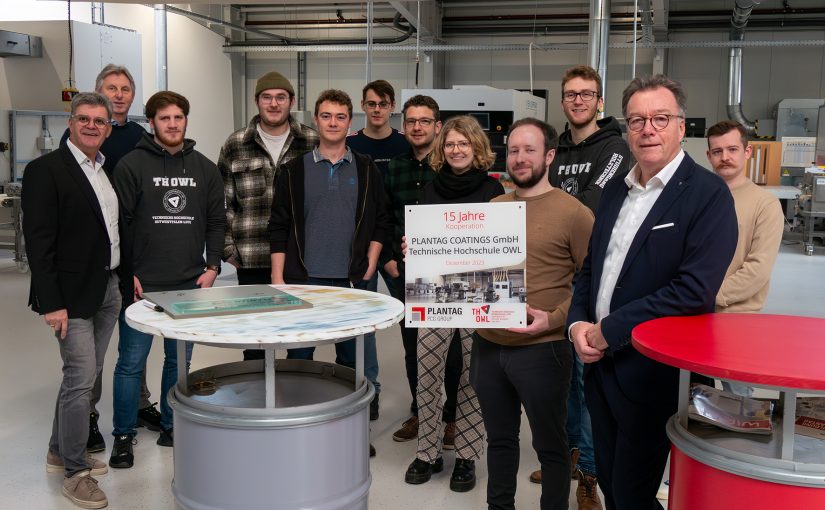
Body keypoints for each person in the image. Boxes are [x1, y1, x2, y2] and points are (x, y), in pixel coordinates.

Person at [567, 74, 738, 510]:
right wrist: (577, 326)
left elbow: (692, 292)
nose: (648, 129)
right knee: (610, 481)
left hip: (652, 374)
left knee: (631, 491)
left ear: (682, 126)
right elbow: (592, 269)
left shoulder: (707, 195)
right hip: (600, 367)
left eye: (661, 118)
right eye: (637, 120)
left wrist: (609, 330)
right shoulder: (613, 192)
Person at [471, 117, 594, 510]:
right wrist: (423, 254)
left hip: (543, 349)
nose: (519, 158)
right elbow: (473, 270)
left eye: (529, 150)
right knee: (501, 440)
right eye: (513, 150)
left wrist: (555, 318)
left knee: (550, 446)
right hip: (489, 345)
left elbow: (590, 283)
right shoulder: (494, 207)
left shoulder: (574, 213)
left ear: (550, 156)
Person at [268, 89, 389, 457]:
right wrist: (278, 278)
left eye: (340, 116)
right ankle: (297, 426)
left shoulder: (367, 168)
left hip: (353, 280)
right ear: (316, 120)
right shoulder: (293, 170)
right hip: (304, 280)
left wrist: (371, 259)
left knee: (356, 361)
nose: (333, 122)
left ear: (349, 122)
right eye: (326, 116)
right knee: (299, 358)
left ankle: (355, 431)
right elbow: (279, 225)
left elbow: (381, 220)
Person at [532, 64, 631, 510]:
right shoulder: (554, 146)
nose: (577, 101)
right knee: (565, 379)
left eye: (586, 94)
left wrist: (548, 210)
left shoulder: (614, 147)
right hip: (555, 280)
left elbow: (586, 206)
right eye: (570, 94)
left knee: (589, 378)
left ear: (599, 101)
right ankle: (571, 455)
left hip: (593, 280)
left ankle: (590, 473)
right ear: (562, 99)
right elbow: (535, 197)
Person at [109, 91, 225, 469]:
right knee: (131, 363)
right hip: (142, 286)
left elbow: (215, 222)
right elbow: (120, 223)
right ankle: (123, 435)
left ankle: (172, 426)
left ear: (186, 121)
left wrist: (212, 268)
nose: (172, 124)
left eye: (178, 117)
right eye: (164, 118)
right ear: (152, 122)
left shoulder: (206, 169)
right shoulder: (131, 165)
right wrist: (130, 274)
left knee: (178, 363)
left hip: (189, 285)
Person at [24, 92, 126, 509]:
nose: (91, 126)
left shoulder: (104, 169)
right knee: (81, 378)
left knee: (86, 376)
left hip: (107, 288)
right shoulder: (45, 170)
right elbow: (39, 242)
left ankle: (57, 448)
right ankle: (74, 472)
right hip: (70, 295)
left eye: (99, 121)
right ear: (70, 122)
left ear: (108, 127)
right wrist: (52, 302)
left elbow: (110, 230)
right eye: (83, 118)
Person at [59, 64, 157, 453]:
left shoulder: (138, 137)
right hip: (93, 259)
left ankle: (138, 401)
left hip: (130, 253)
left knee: (137, 339)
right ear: (97, 92)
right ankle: (89, 415)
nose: (118, 95)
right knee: (92, 353)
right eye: (110, 88)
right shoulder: (82, 139)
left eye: (125, 89)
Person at [403, 115, 503, 492]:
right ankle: (427, 450)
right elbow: (426, 237)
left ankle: (467, 455)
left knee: (472, 377)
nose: (456, 149)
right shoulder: (430, 190)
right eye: (450, 144)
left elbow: (501, 247)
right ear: (441, 149)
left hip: (480, 290)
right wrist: (414, 246)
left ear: (477, 148)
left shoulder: (495, 192)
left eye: (464, 143)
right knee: (427, 368)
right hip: (434, 289)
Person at [218, 71, 319, 362]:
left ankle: (297, 399)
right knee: (256, 340)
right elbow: (223, 203)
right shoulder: (235, 144)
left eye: (280, 97)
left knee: (301, 339)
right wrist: (228, 250)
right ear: (256, 101)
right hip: (252, 259)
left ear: (292, 101)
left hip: (301, 258)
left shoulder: (311, 141)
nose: (274, 104)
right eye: (267, 97)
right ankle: (257, 401)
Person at [385, 96, 462, 451]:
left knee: (452, 348)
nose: (417, 126)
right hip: (404, 270)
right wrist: (390, 259)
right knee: (413, 346)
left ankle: (450, 418)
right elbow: (383, 215)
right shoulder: (394, 167)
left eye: (425, 121)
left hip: (444, 275)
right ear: (404, 126)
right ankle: (421, 411)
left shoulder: (450, 167)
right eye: (412, 121)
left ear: (437, 125)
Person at [346, 79, 411, 420]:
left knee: (413, 328)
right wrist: (377, 255)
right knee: (365, 325)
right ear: (363, 105)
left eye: (383, 104)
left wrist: (390, 254)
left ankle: (421, 400)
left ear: (392, 107)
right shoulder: (351, 145)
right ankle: (369, 391)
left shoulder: (404, 144)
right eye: (370, 103)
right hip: (362, 250)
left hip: (401, 250)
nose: (376, 110)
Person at [706, 119, 784, 396]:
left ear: (747, 152)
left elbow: (758, 269)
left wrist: (706, 294)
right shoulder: (699, 197)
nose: (725, 157)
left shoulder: (765, 204)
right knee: (688, 395)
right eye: (717, 151)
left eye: (732, 149)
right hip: (691, 314)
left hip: (735, 319)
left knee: (736, 404)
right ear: (709, 156)